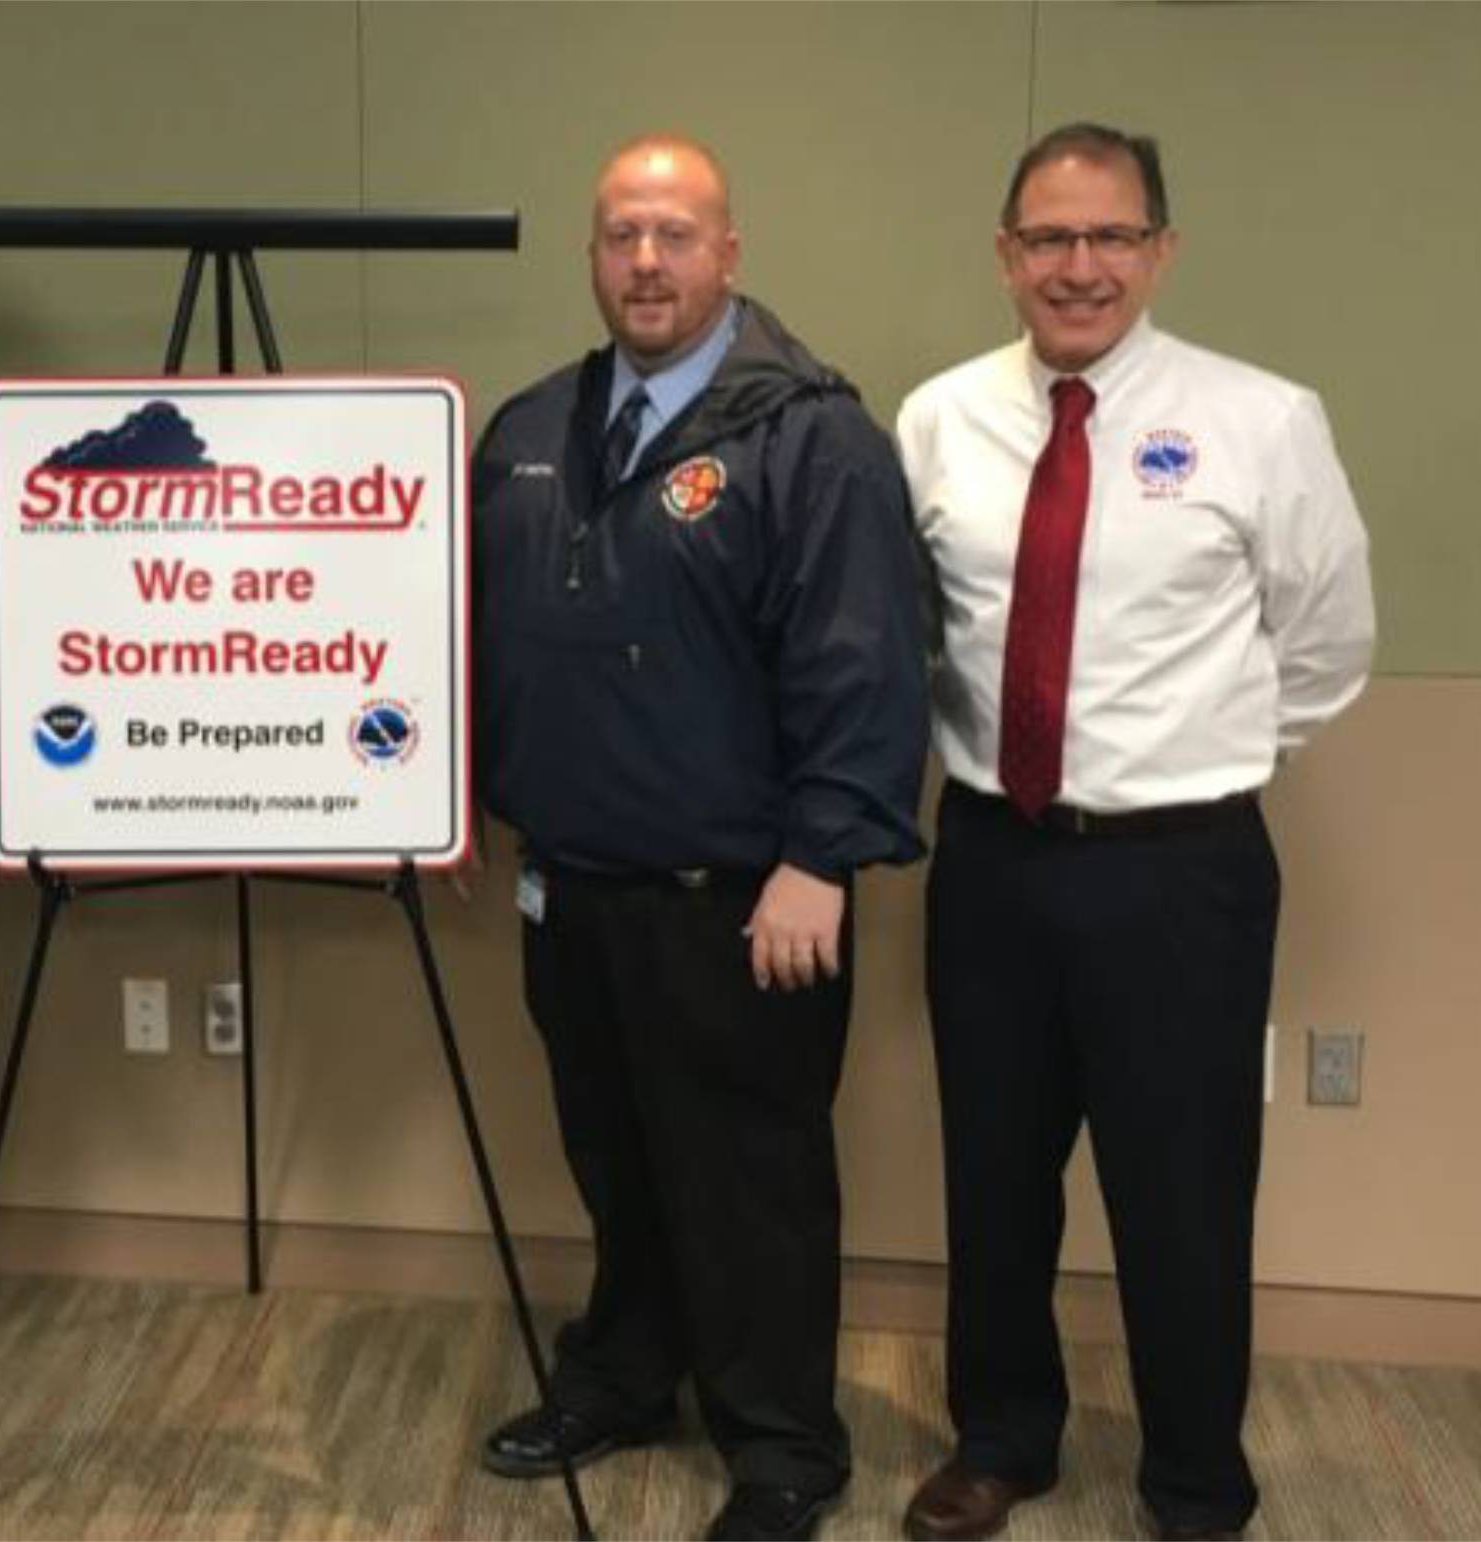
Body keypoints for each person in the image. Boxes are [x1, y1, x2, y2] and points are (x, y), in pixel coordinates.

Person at [895, 123, 1374, 1542]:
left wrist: (1190, 757)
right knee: (990, 1174)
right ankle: (1002, 1436)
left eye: (1109, 236)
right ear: (1004, 255)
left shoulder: (1261, 418)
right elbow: (916, 637)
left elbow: (1327, 642)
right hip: (988, 854)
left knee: (1180, 1189)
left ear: (1159, 248)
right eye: (1048, 237)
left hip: (1179, 871)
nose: (1078, 266)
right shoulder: (936, 420)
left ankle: (1192, 1482)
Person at [469, 134, 928, 1542]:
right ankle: (622, 1372)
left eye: (675, 233)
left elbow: (862, 665)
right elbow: (479, 637)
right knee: (612, 1157)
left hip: (743, 897)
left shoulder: (811, 436)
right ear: (591, 254)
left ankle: (784, 1440)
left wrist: (820, 859)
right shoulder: (532, 428)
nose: (646, 260)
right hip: (574, 882)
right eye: (620, 234)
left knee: (751, 1181)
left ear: (729, 252)